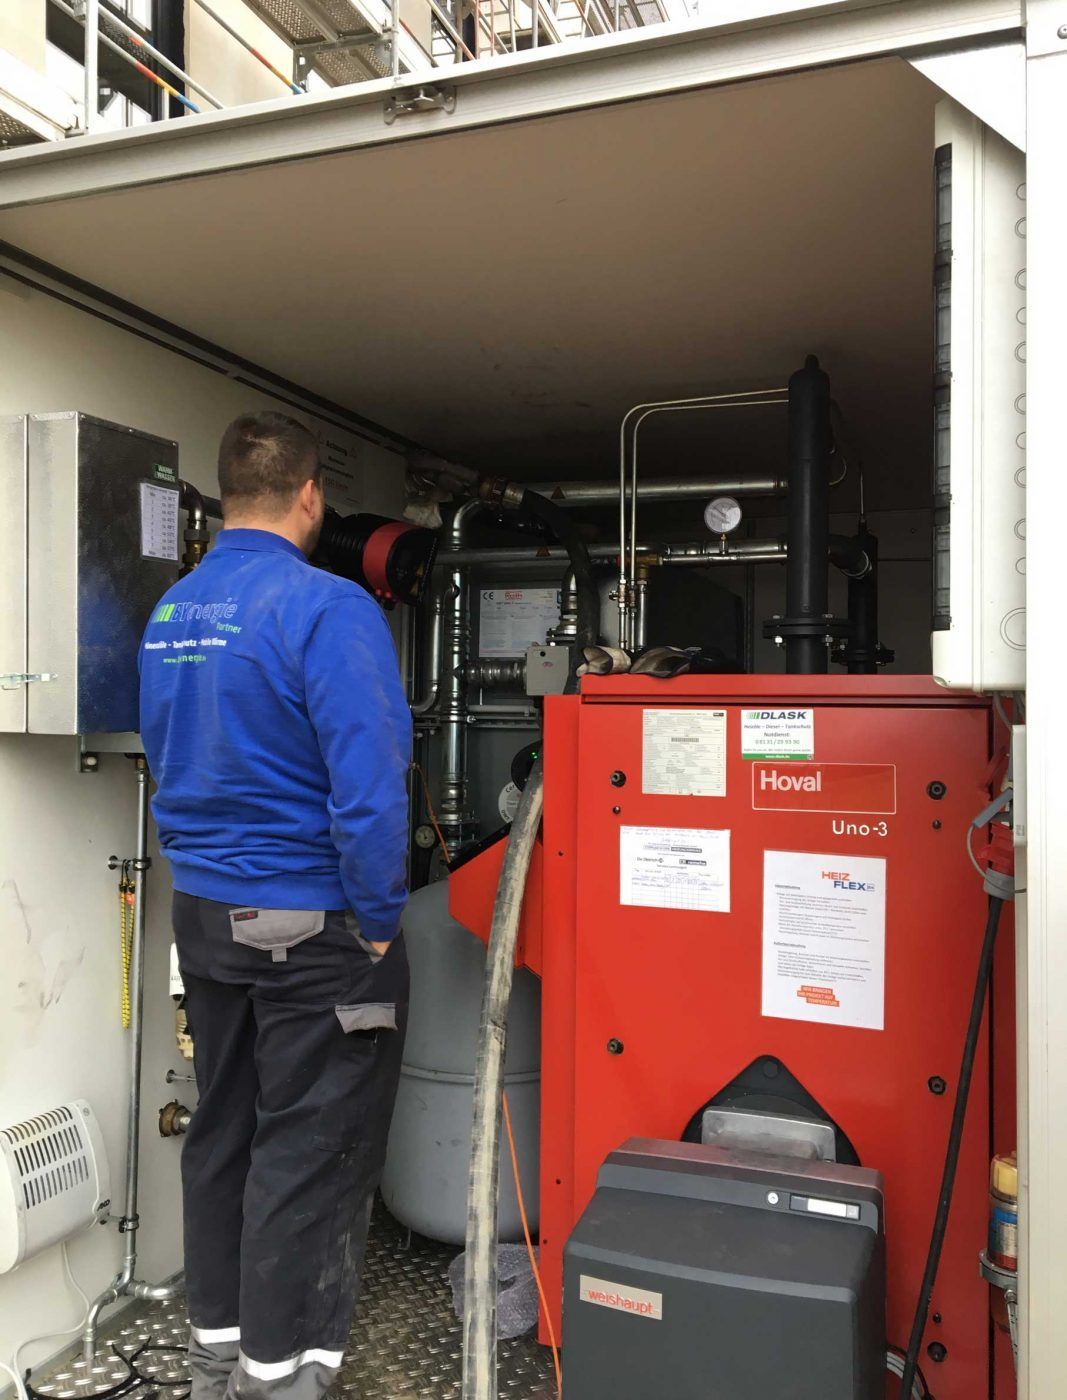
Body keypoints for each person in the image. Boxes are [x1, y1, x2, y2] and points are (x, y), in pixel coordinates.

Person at [139, 412, 412, 1400]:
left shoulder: (170, 612)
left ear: (222, 500)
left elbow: (168, 752)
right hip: (314, 926)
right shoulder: (326, 606)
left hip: (207, 917)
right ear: (310, 497)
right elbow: (372, 782)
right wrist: (380, 916)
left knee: (224, 1125)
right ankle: (277, 1373)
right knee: (310, 1145)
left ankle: (216, 1345)